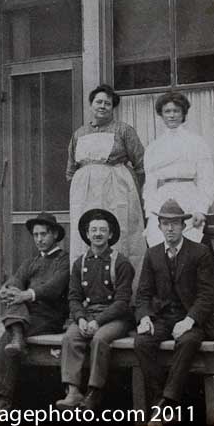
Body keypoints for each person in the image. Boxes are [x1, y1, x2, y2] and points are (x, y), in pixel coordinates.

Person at [133, 199, 214, 422]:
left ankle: (169, 400)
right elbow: (143, 294)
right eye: (165, 223)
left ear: (183, 226)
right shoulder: (153, 254)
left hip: (194, 319)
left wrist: (189, 320)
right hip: (164, 318)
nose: (169, 228)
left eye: (174, 223)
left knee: (187, 341)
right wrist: (145, 317)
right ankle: (161, 403)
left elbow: (208, 295)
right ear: (159, 227)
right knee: (142, 342)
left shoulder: (200, 253)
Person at [0, 212, 70, 411]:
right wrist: (6, 291)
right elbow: (14, 281)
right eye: (35, 235)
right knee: (13, 296)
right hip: (26, 314)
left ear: (55, 235)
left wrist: (25, 295)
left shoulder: (64, 261)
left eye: (43, 234)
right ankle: (17, 337)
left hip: (49, 316)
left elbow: (54, 288)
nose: (39, 239)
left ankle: (2, 399)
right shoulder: (30, 263)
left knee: (7, 336)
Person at [66, 84, 146, 293]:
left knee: (120, 236)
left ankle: (126, 296)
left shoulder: (124, 130)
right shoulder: (79, 134)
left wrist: (131, 191)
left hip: (117, 192)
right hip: (85, 195)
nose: (103, 106)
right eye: (99, 102)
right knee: (86, 235)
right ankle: (87, 294)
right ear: (91, 105)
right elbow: (70, 170)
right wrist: (81, 187)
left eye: (108, 103)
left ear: (113, 108)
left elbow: (141, 164)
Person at [57, 209, 135, 411]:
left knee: (100, 339)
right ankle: (73, 391)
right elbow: (74, 297)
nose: (98, 234)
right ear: (87, 234)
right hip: (88, 315)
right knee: (70, 337)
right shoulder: (80, 263)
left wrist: (97, 322)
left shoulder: (121, 262)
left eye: (102, 230)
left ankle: (94, 391)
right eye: (93, 230)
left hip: (115, 317)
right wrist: (81, 319)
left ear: (110, 235)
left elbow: (122, 302)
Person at [143, 92, 214, 247]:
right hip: (161, 198)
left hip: (189, 196)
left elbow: (206, 179)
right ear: (161, 115)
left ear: (183, 113)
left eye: (176, 111)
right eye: (167, 111)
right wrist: (149, 212)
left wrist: (201, 209)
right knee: (159, 244)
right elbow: (149, 184)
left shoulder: (196, 142)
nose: (172, 115)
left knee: (192, 245)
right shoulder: (154, 147)